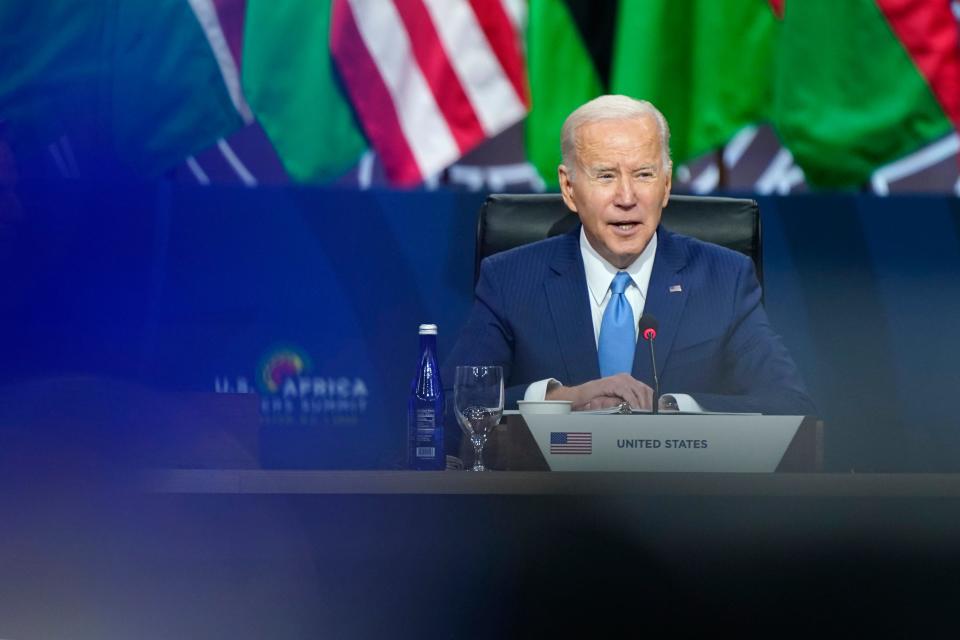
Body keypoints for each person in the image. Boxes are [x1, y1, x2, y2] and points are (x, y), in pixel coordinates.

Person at [445, 95, 814, 416]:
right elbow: (448, 406)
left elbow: (790, 405)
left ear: (666, 185)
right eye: (605, 176)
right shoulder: (510, 280)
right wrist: (562, 400)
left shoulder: (724, 280)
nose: (626, 197)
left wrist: (670, 410)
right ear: (569, 188)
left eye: (643, 175)